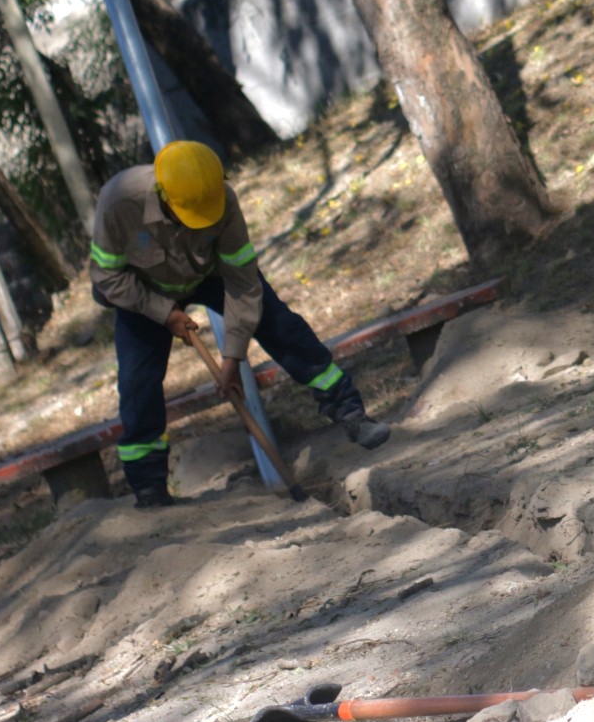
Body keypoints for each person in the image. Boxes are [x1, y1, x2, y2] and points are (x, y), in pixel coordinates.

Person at [89, 140, 390, 508]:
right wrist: (165, 313)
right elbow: (106, 277)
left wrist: (233, 356)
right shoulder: (119, 203)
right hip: (142, 291)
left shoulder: (223, 199)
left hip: (210, 274)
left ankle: (350, 412)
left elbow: (244, 284)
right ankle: (149, 487)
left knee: (282, 326)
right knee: (138, 381)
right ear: (162, 196)